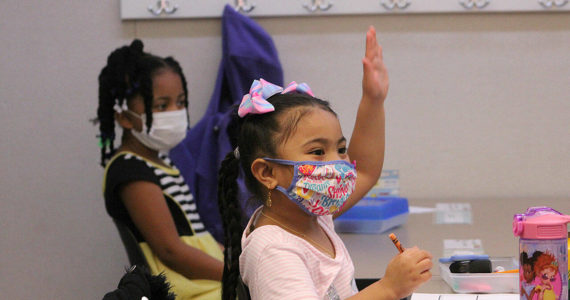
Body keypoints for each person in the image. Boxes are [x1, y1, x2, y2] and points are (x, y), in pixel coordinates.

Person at [217, 27, 433, 300]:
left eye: (340, 149)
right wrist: (388, 288)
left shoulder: (312, 217)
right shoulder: (273, 250)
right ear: (267, 172)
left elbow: (364, 170)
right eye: (318, 151)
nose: (338, 164)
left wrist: (373, 100)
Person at [96, 39, 223, 299]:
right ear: (123, 117)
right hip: (188, 291)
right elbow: (170, 251)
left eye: (180, 102)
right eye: (162, 105)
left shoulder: (163, 163)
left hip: (206, 283)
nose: (175, 112)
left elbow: (194, 234)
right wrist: (235, 272)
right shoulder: (130, 169)